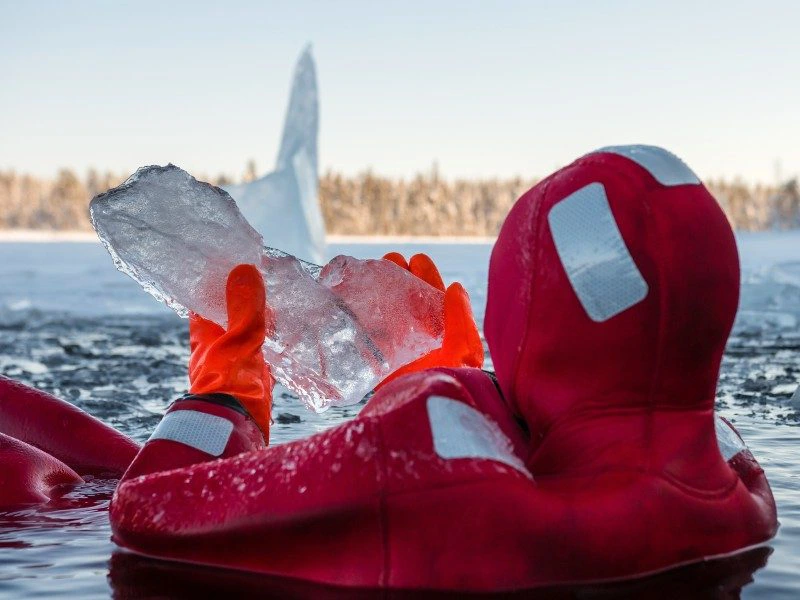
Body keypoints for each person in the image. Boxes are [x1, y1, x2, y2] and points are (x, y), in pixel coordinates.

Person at [106, 145, 778, 593]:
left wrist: (225, 398)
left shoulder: (439, 484)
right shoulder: (738, 489)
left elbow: (145, 513)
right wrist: (439, 391)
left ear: (528, 319)